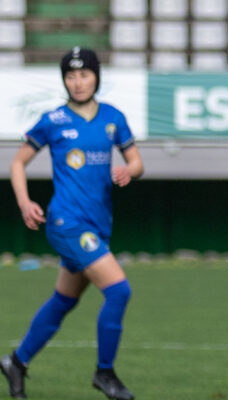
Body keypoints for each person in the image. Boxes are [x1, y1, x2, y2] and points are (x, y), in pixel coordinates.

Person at [1, 47, 143, 400]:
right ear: (64, 80)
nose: (77, 82)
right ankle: (105, 373)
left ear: (96, 77)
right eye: (70, 76)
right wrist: (24, 202)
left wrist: (129, 170)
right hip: (66, 223)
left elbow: (137, 161)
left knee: (64, 300)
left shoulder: (113, 117)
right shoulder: (53, 121)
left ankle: (16, 362)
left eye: (84, 75)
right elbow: (17, 163)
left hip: (97, 226)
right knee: (119, 290)